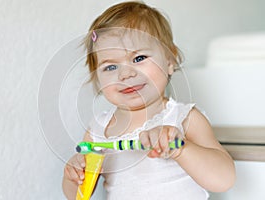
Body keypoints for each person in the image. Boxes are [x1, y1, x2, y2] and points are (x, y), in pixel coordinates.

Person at [62, 1, 235, 199]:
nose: (125, 74)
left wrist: (181, 149)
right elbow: (76, 196)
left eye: (138, 58)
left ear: (169, 61)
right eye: (110, 67)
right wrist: (73, 175)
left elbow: (224, 179)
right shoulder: (99, 130)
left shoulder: (184, 118)